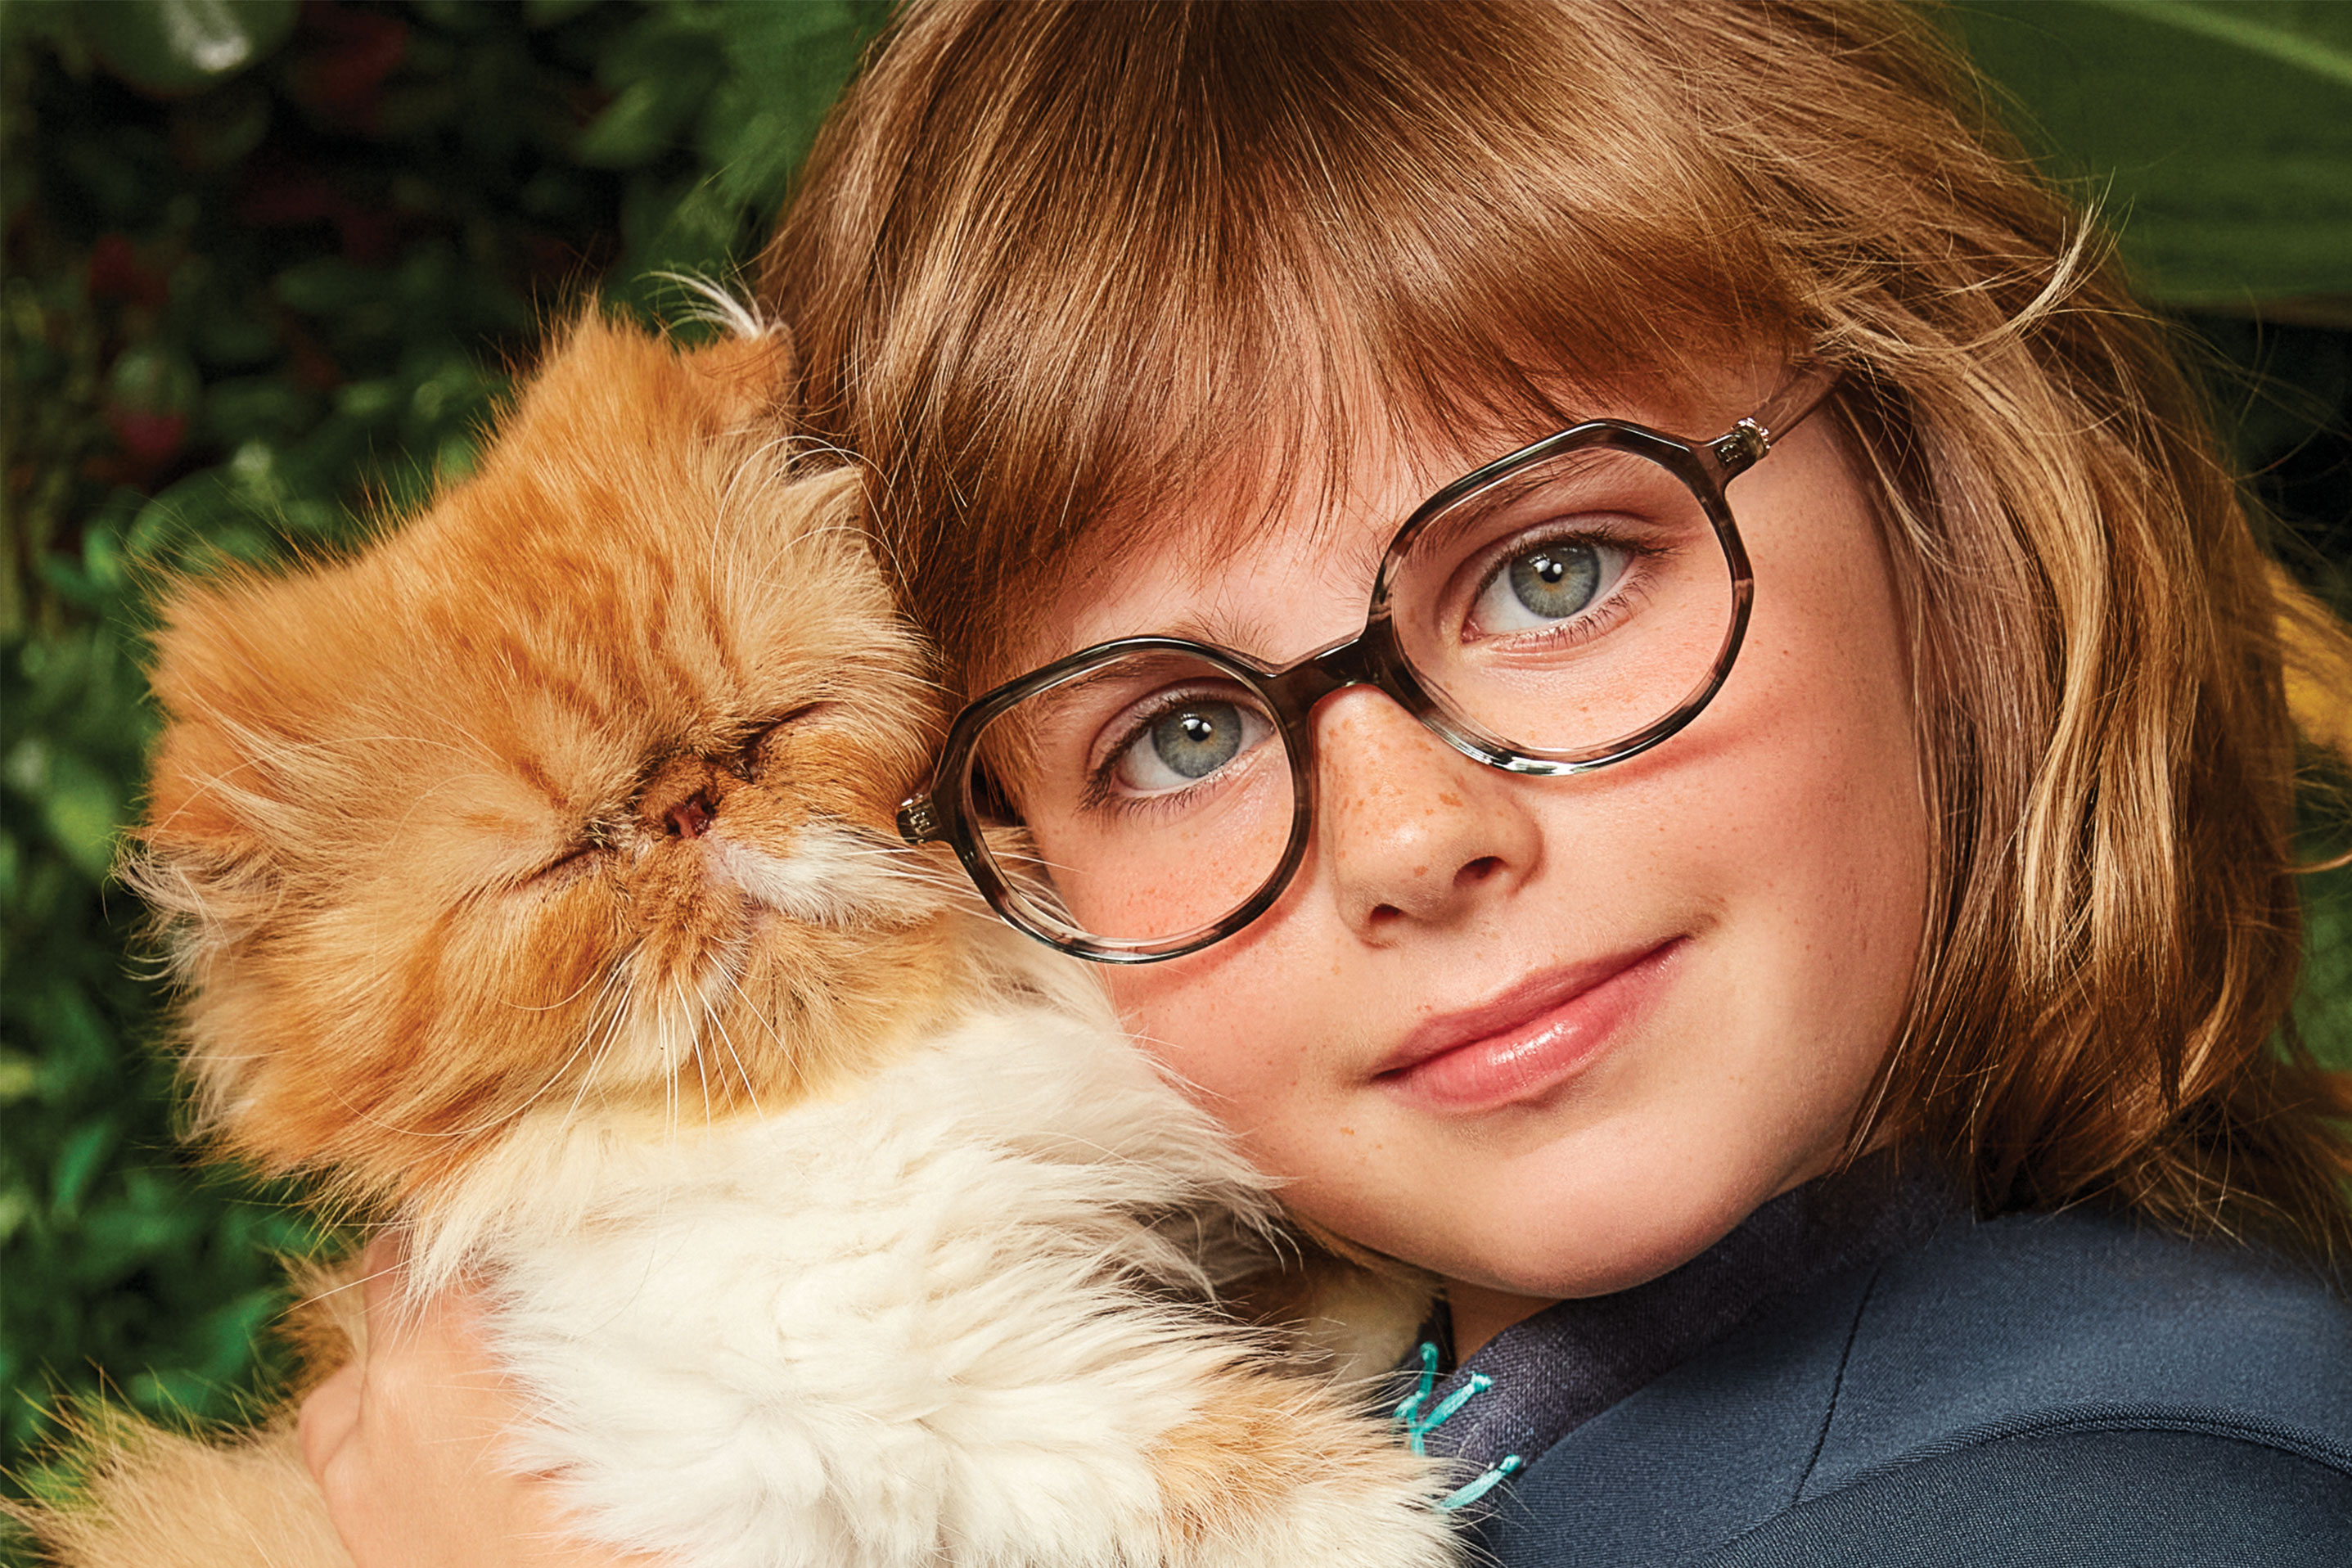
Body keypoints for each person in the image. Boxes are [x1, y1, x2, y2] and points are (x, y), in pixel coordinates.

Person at [298, 2, 2352, 1562]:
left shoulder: (2110, 1492)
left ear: (1947, 513)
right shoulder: (1434, 1389)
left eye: (1556, 573)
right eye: (1177, 733)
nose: (1408, 836)